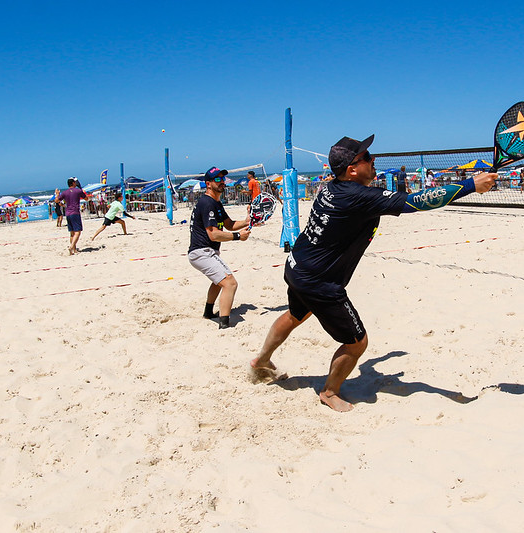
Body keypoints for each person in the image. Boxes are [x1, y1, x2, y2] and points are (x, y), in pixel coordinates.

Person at [250, 134, 498, 412]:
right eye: (367, 157)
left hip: (297, 266)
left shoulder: (330, 188)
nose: (373, 159)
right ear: (352, 170)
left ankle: (261, 359)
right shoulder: (359, 196)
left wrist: (382, 362)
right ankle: (330, 392)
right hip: (320, 282)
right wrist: (470, 185)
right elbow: (416, 201)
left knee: (295, 315)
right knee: (356, 343)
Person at [188, 167, 252, 329]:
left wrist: (247, 221)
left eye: (222, 179)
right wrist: (239, 237)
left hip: (205, 252)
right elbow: (214, 235)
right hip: (202, 252)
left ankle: (208, 313)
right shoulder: (207, 203)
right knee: (230, 283)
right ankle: (224, 325)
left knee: (218, 282)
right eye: (217, 179)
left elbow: (229, 225)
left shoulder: (215, 203)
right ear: (208, 184)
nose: (222, 182)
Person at [55, 178, 87, 255]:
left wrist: (57, 194)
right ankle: (71, 247)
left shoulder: (65, 192)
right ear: (73, 183)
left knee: (72, 233)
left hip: (68, 213)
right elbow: (86, 198)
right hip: (75, 212)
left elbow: (56, 200)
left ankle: (74, 250)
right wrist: (81, 191)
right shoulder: (78, 191)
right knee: (77, 232)